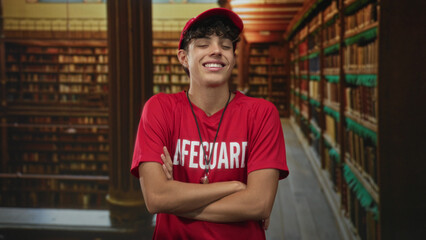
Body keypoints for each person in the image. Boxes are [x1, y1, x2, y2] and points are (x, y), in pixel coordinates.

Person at [131, 8, 289, 240]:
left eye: (226, 46)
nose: (216, 51)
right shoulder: (159, 109)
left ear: (233, 58)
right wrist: (235, 187)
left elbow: (259, 204)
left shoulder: (262, 113)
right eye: (203, 44)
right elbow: (156, 198)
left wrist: (177, 198)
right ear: (183, 57)